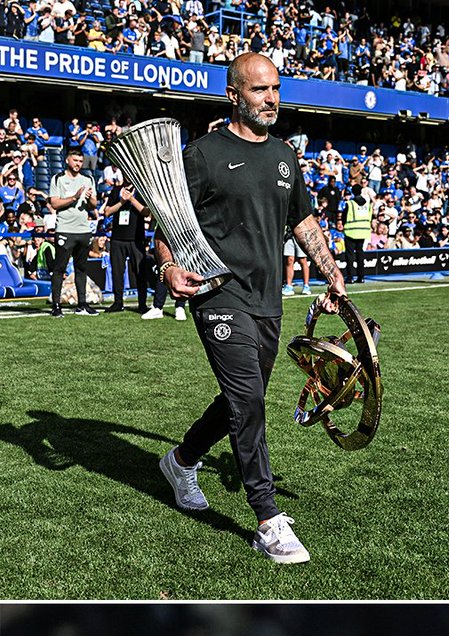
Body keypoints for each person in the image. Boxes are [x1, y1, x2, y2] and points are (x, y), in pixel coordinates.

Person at [156, 52, 347, 565]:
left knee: (244, 398)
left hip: (267, 298)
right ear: (233, 94)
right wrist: (168, 269)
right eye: (259, 90)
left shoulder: (285, 156)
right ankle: (267, 519)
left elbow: (303, 223)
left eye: (276, 89)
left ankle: (181, 460)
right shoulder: (201, 154)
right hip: (218, 294)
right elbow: (166, 223)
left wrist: (331, 272)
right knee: (249, 400)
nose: (270, 99)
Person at [47, 146, 98, 317]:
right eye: (75, 161)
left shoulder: (88, 179)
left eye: (80, 161)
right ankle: (56, 306)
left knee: (81, 268)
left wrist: (90, 197)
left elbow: (93, 206)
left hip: (83, 229)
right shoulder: (58, 179)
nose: (78, 164)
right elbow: (54, 204)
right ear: (67, 160)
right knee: (59, 268)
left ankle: (82, 304)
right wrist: (74, 197)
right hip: (65, 229)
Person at [103, 178, 149, 314]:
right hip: (117, 238)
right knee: (117, 272)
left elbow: (146, 212)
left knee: (140, 272)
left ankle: (142, 303)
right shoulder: (116, 191)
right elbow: (107, 212)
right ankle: (118, 302)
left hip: (136, 239)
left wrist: (132, 199)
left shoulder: (141, 191)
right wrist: (122, 201)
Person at [342, 184, 372, 285]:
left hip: (351, 232)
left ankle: (350, 277)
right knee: (360, 255)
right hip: (363, 232)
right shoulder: (368, 204)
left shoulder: (350, 204)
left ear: (353, 192)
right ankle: (361, 277)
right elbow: (370, 217)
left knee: (350, 256)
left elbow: (344, 217)